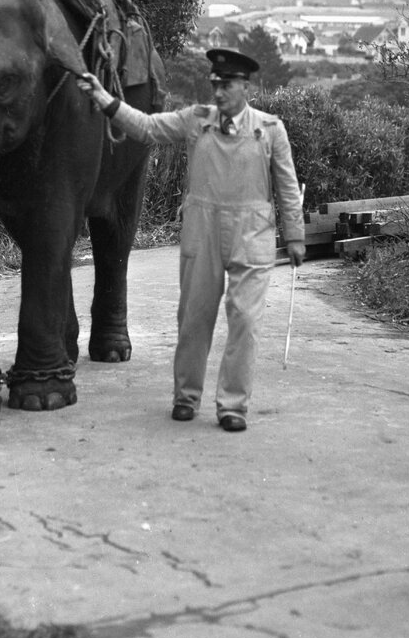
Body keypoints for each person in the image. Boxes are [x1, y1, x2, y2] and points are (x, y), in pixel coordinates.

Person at [77, 47, 305, 432]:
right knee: (194, 319)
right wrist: (104, 99)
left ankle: (233, 406)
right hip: (203, 231)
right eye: (215, 84)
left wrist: (296, 237)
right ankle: (186, 397)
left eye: (227, 85)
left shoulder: (270, 130)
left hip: (252, 235)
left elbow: (286, 186)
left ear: (245, 87)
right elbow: (147, 127)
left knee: (245, 321)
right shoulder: (195, 121)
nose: (218, 92)